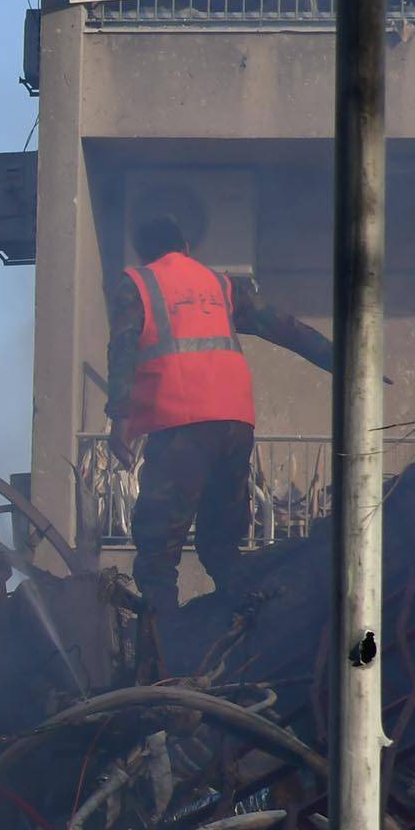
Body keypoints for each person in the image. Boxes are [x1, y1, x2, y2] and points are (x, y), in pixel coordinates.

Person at [107, 215, 334, 615]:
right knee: (221, 543)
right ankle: (245, 626)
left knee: (158, 549)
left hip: (180, 424)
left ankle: (166, 640)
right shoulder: (220, 285)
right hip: (235, 421)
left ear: (142, 253)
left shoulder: (137, 284)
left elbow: (122, 351)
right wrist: (341, 359)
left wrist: (120, 420)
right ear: (186, 248)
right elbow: (284, 327)